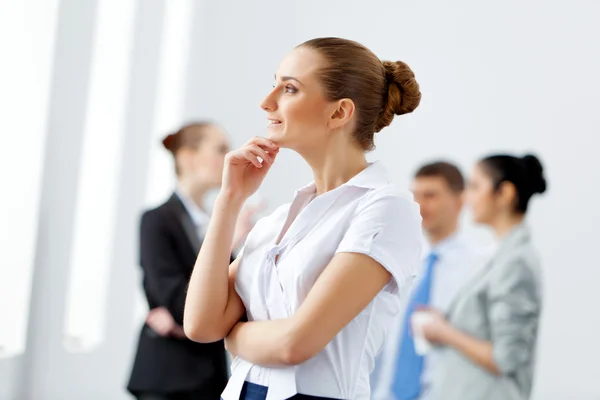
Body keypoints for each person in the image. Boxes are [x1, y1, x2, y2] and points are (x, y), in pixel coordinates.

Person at [183, 37, 424, 400]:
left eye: (289, 88)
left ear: (340, 112)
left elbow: (294, 344)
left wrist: (234, 333)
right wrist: (229, 201)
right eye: (274, 83)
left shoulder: (386, 208)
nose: (267, 102)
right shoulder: (278, 221)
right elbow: (201, 325)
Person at [127, 122, 258, 400]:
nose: (229, 156)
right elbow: (180, 305)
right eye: (220, 148)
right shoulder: (157, 220)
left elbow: (228, 304)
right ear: (187, 158)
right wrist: (229, 241)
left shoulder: (216, 222)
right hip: (167, 376)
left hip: (211, 376)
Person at [419, 154, 546, 400]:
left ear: (505, 193)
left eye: (475, 187)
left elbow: (506, 357)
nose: (466, 198)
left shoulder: (515, 262)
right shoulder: (500, 257)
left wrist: (444, 332)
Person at [371, 161, 486, 400]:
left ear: (459, 200)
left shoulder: (480, 269)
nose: (421, 205)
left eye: (431, 195)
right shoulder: (394, 260)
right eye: (416, 195)